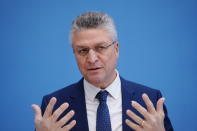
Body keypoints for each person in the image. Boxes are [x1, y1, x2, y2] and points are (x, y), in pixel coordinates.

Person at [32, 11, 173, 131]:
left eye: (100, 47)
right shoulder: (54, 106)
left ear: (116, 49)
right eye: (83, 50)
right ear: (74, 54)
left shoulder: (150, 101)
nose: (92, 59)